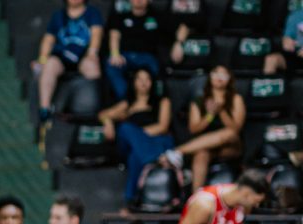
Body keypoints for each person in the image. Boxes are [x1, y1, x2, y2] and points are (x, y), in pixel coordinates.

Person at [161, 65, 245, 193]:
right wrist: (210, 115)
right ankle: (196, 198)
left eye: (224, 75)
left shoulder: (236, 99)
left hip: (231, 147)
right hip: (206, 146)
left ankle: (177, 151)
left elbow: (236, 129)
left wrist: (221, 111)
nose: (219, 77)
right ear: (210, 77)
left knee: (229, 133)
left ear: (230, 79)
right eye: (216, 73)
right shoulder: (199, 101)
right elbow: (194, 129)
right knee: (201, 155)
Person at [99, 67, 172, 205]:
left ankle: (129, 200)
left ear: (152, 82)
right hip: (141, 148)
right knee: (125, 129)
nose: (143, 83)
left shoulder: (162, 101)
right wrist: (108, 123)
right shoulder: (128, 104)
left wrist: (138, 136)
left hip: (157, 141)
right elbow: (103, 114)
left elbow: (163, 126)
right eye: (139, 79)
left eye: (147, 79)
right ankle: (152, 159)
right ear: (133, 82)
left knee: (134, 155)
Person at [32, 0, 104, 125]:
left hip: (83, 56)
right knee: (49, 64)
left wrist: (92, 53)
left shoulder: (92, 13)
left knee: (92, 66)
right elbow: (48, 39)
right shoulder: (58, 16)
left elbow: (97, 33)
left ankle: (94, 112)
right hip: (62, 57)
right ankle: (45, 109)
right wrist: (42, 59)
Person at [104, 0, 171, 102]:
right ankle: (126, 101)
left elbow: (166, 38)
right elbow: (114, 35)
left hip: (147, 56)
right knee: (112, 66)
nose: (138, 0)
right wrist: (115, 53)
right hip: (124, 55)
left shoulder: (157, 16)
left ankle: (156, 103)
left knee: (158, 70)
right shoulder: (120, 15)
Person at [264, 4, 303, 75]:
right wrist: (287, 42)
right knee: (271, 59)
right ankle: (267, 81)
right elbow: (287, 38)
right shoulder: (295, 16)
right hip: (296, 55)